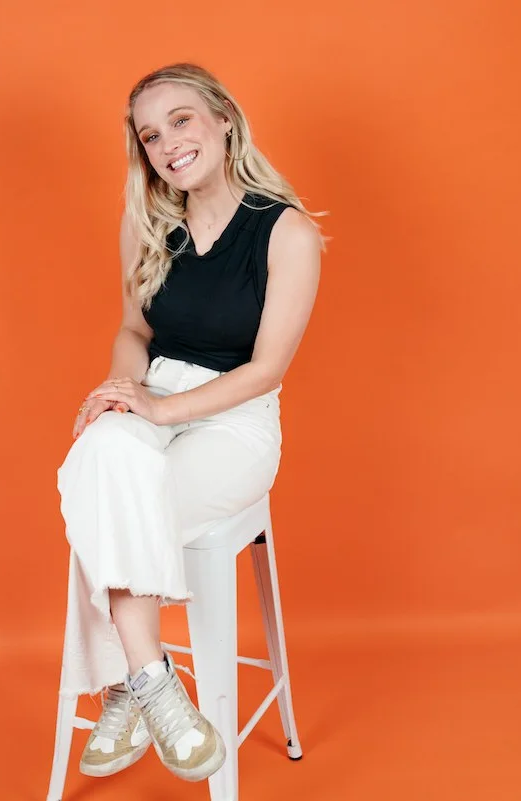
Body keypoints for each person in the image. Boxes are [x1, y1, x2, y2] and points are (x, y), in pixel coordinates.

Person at [56, 62, 324, 784]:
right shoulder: (147, 220)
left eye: (180, 119)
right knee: (98, 455)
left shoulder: (286, 231)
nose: (167, 142)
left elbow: (266, 369)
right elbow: (133, 331)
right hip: (155, 392)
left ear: (223, 117)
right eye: (150, 134)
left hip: (236, 420)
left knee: (109, 500)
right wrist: (121, 389)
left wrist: (158, 408)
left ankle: (126, 681)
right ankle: (156, 682)